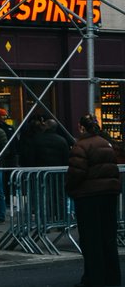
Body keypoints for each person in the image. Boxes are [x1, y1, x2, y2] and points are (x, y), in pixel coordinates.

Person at [66, 114, 121, 287]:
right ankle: (112, 277)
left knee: (91, 239)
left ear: (81, 127)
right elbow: (113, 168)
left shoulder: (80, 145)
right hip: (109, 194)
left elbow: (77, 172)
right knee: (108, 237)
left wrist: (70, 188)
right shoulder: (106, 143)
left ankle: (94, 278)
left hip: (88, 196)